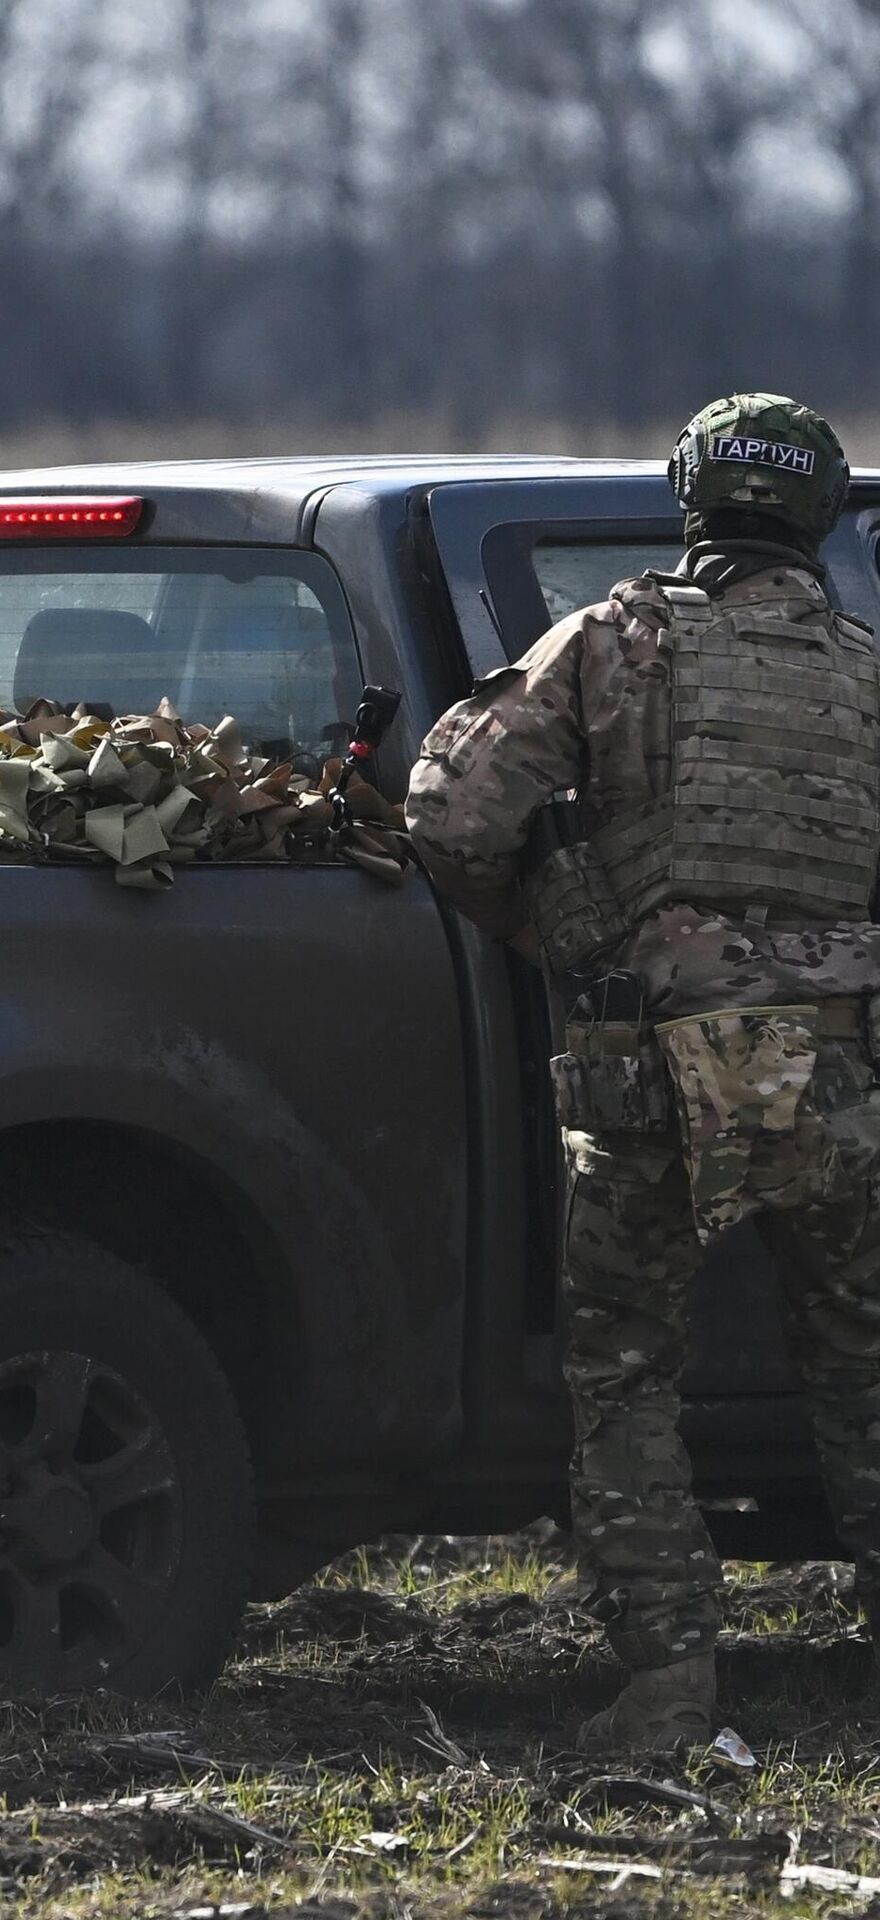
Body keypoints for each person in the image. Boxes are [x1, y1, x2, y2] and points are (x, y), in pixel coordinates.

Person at [406, 393, 880, 1754]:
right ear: (819, 513)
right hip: (834, 1083)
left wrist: (553, 928)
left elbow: (453, 813)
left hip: (656, 1077)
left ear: (692, 497)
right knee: (862, 1371)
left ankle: (670, 1685)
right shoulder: (864, 671)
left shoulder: (618, 642)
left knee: (623, 1374)